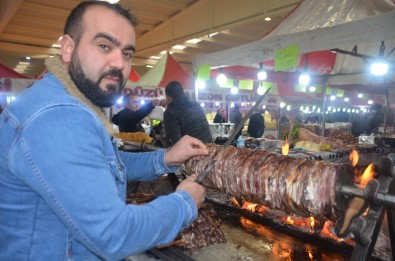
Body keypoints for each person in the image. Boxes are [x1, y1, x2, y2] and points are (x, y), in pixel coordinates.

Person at [0, 2, 208, 260]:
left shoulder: (73, 104)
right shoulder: (58, 115)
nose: (119, 63)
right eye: (104, 46)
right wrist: (184, 203)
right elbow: (113, 233)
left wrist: (166, 158)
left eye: (128, 53)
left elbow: (104, 165)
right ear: (68, 48)